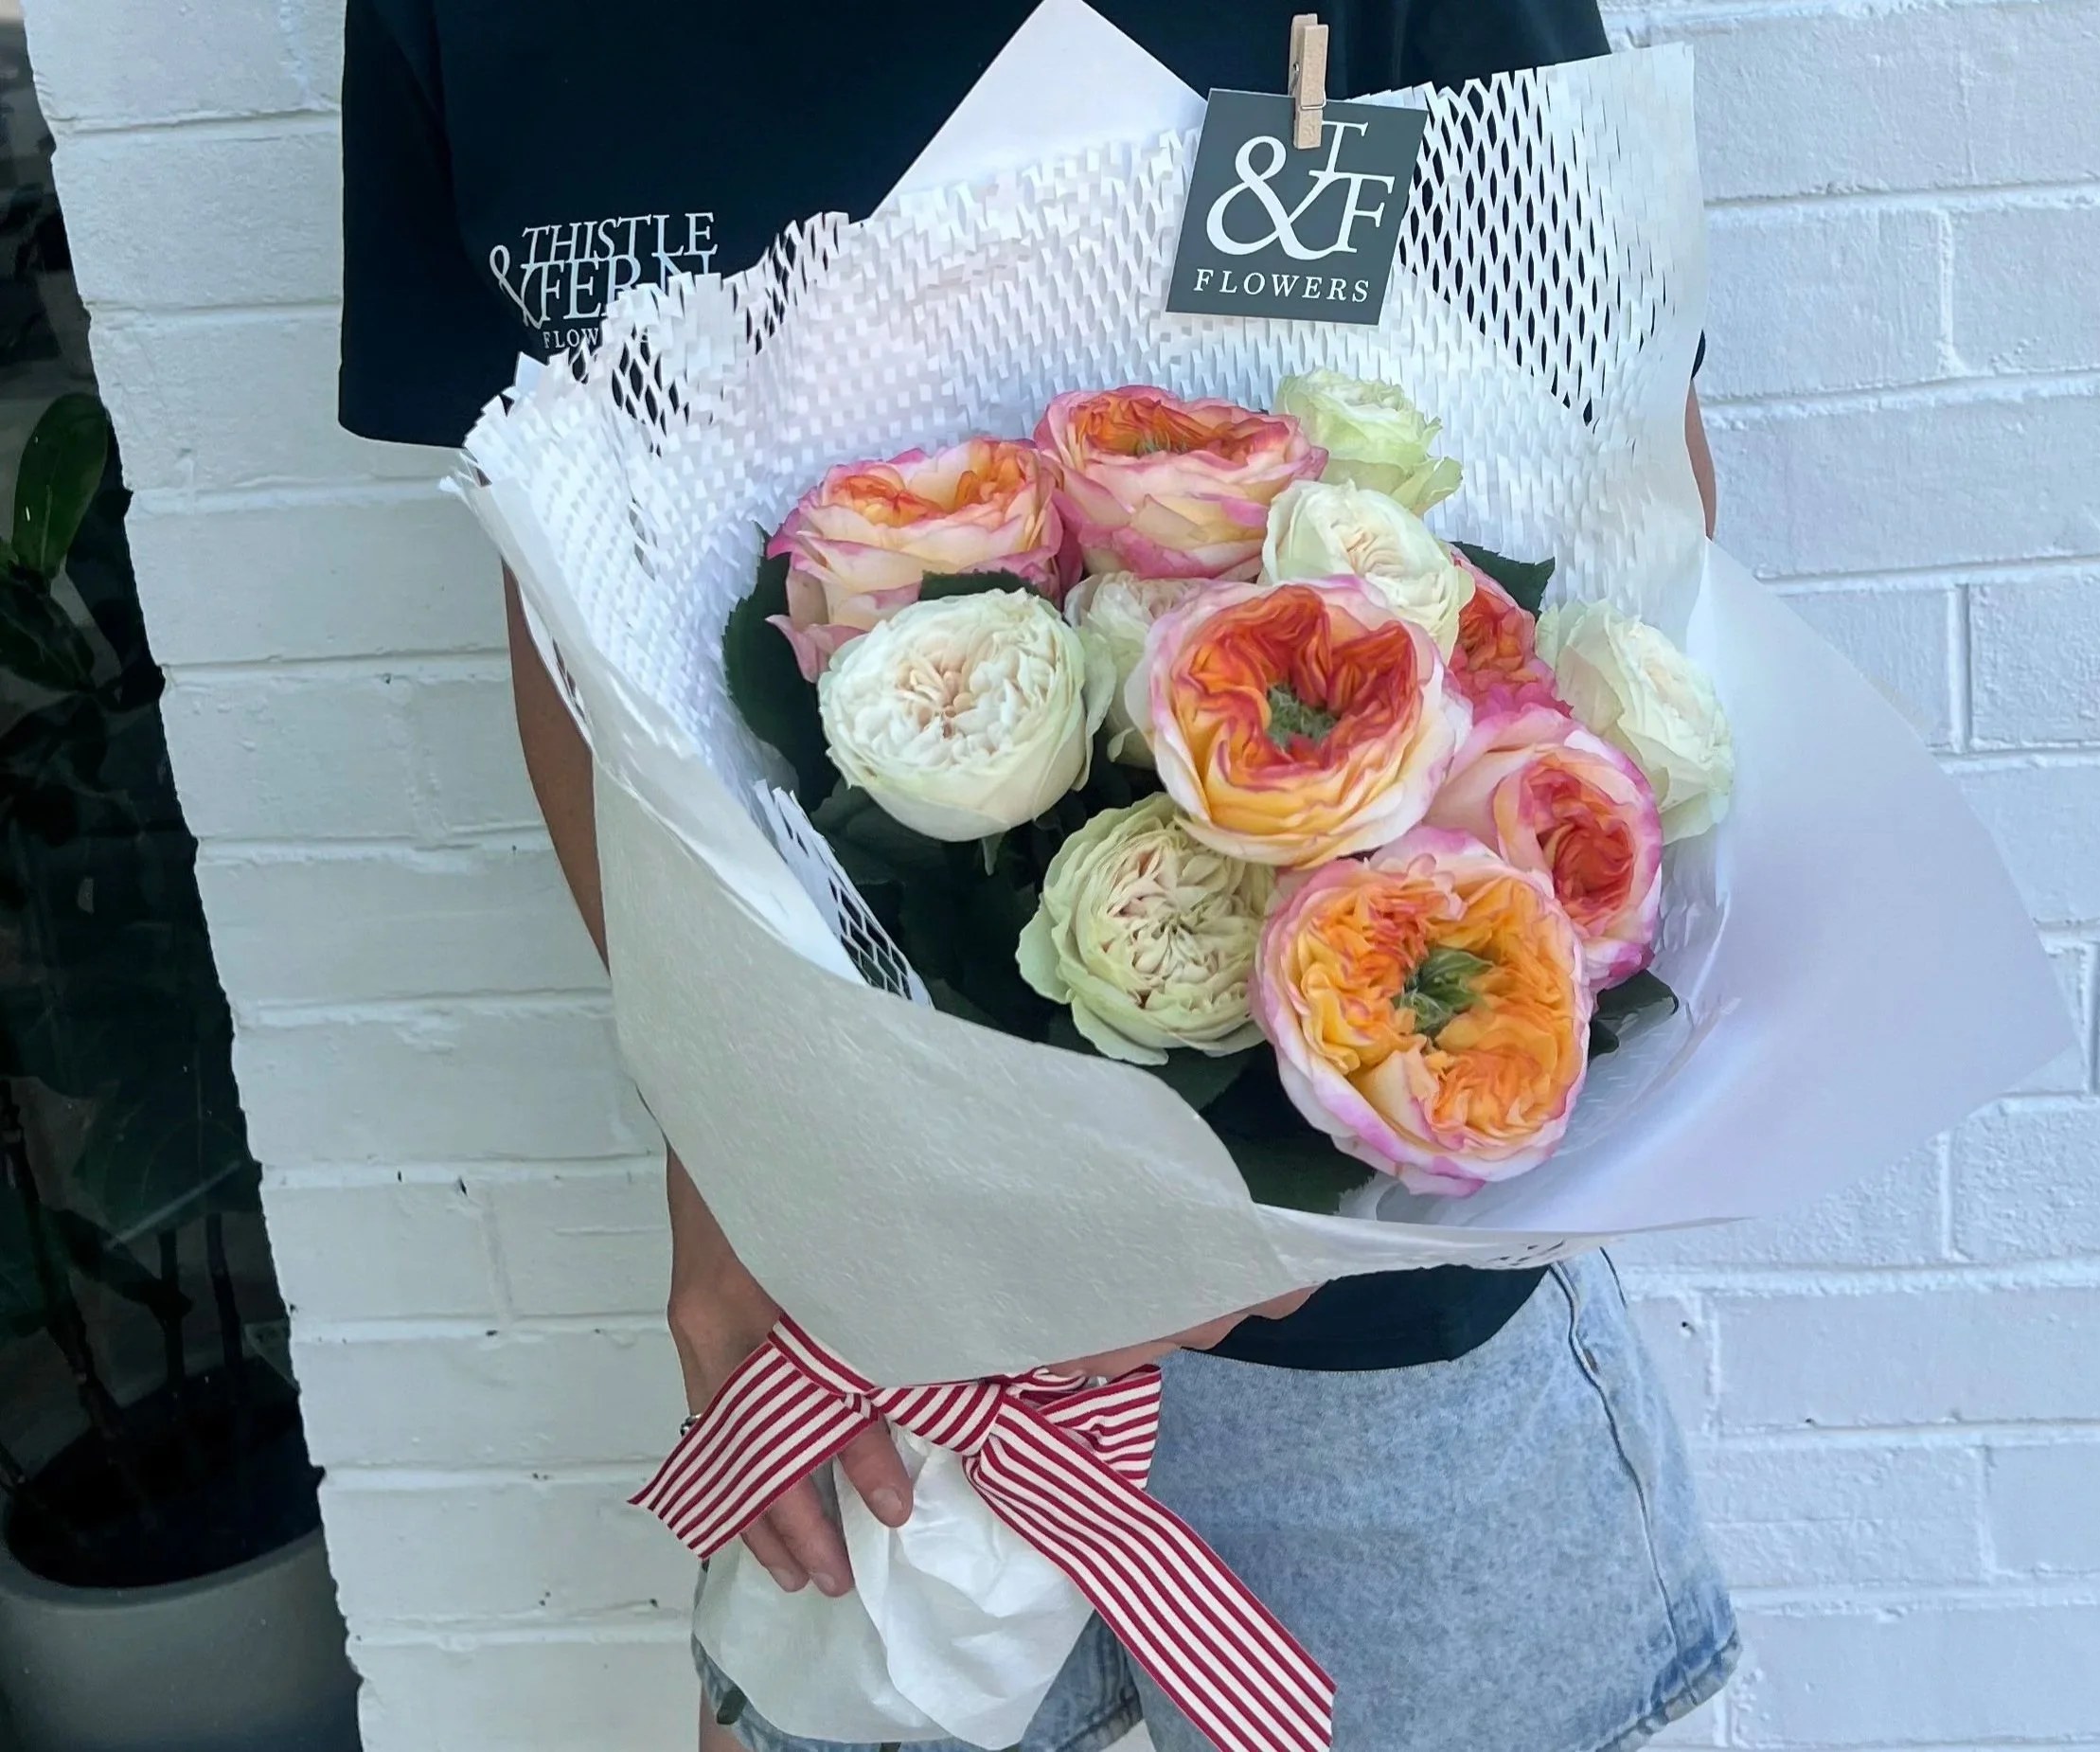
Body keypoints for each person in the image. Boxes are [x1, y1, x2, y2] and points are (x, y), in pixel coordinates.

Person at [339, 4, 1735, 1748]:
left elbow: (1614, 474)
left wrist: (1331, 1171)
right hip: (863, 1291)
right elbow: (566, 600)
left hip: (1374, 1296)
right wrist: (723, 1148)